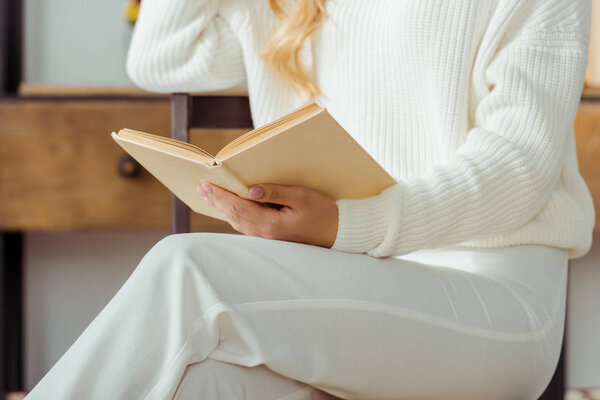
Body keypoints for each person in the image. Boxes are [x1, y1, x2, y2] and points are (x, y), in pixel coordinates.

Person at [25, 0, 595, 399]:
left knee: (188, 268)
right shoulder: (288, 7)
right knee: (198, 386)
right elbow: (161, 55)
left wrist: (353, 224)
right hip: (345, 295)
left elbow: (520, 167)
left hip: (492, 298)